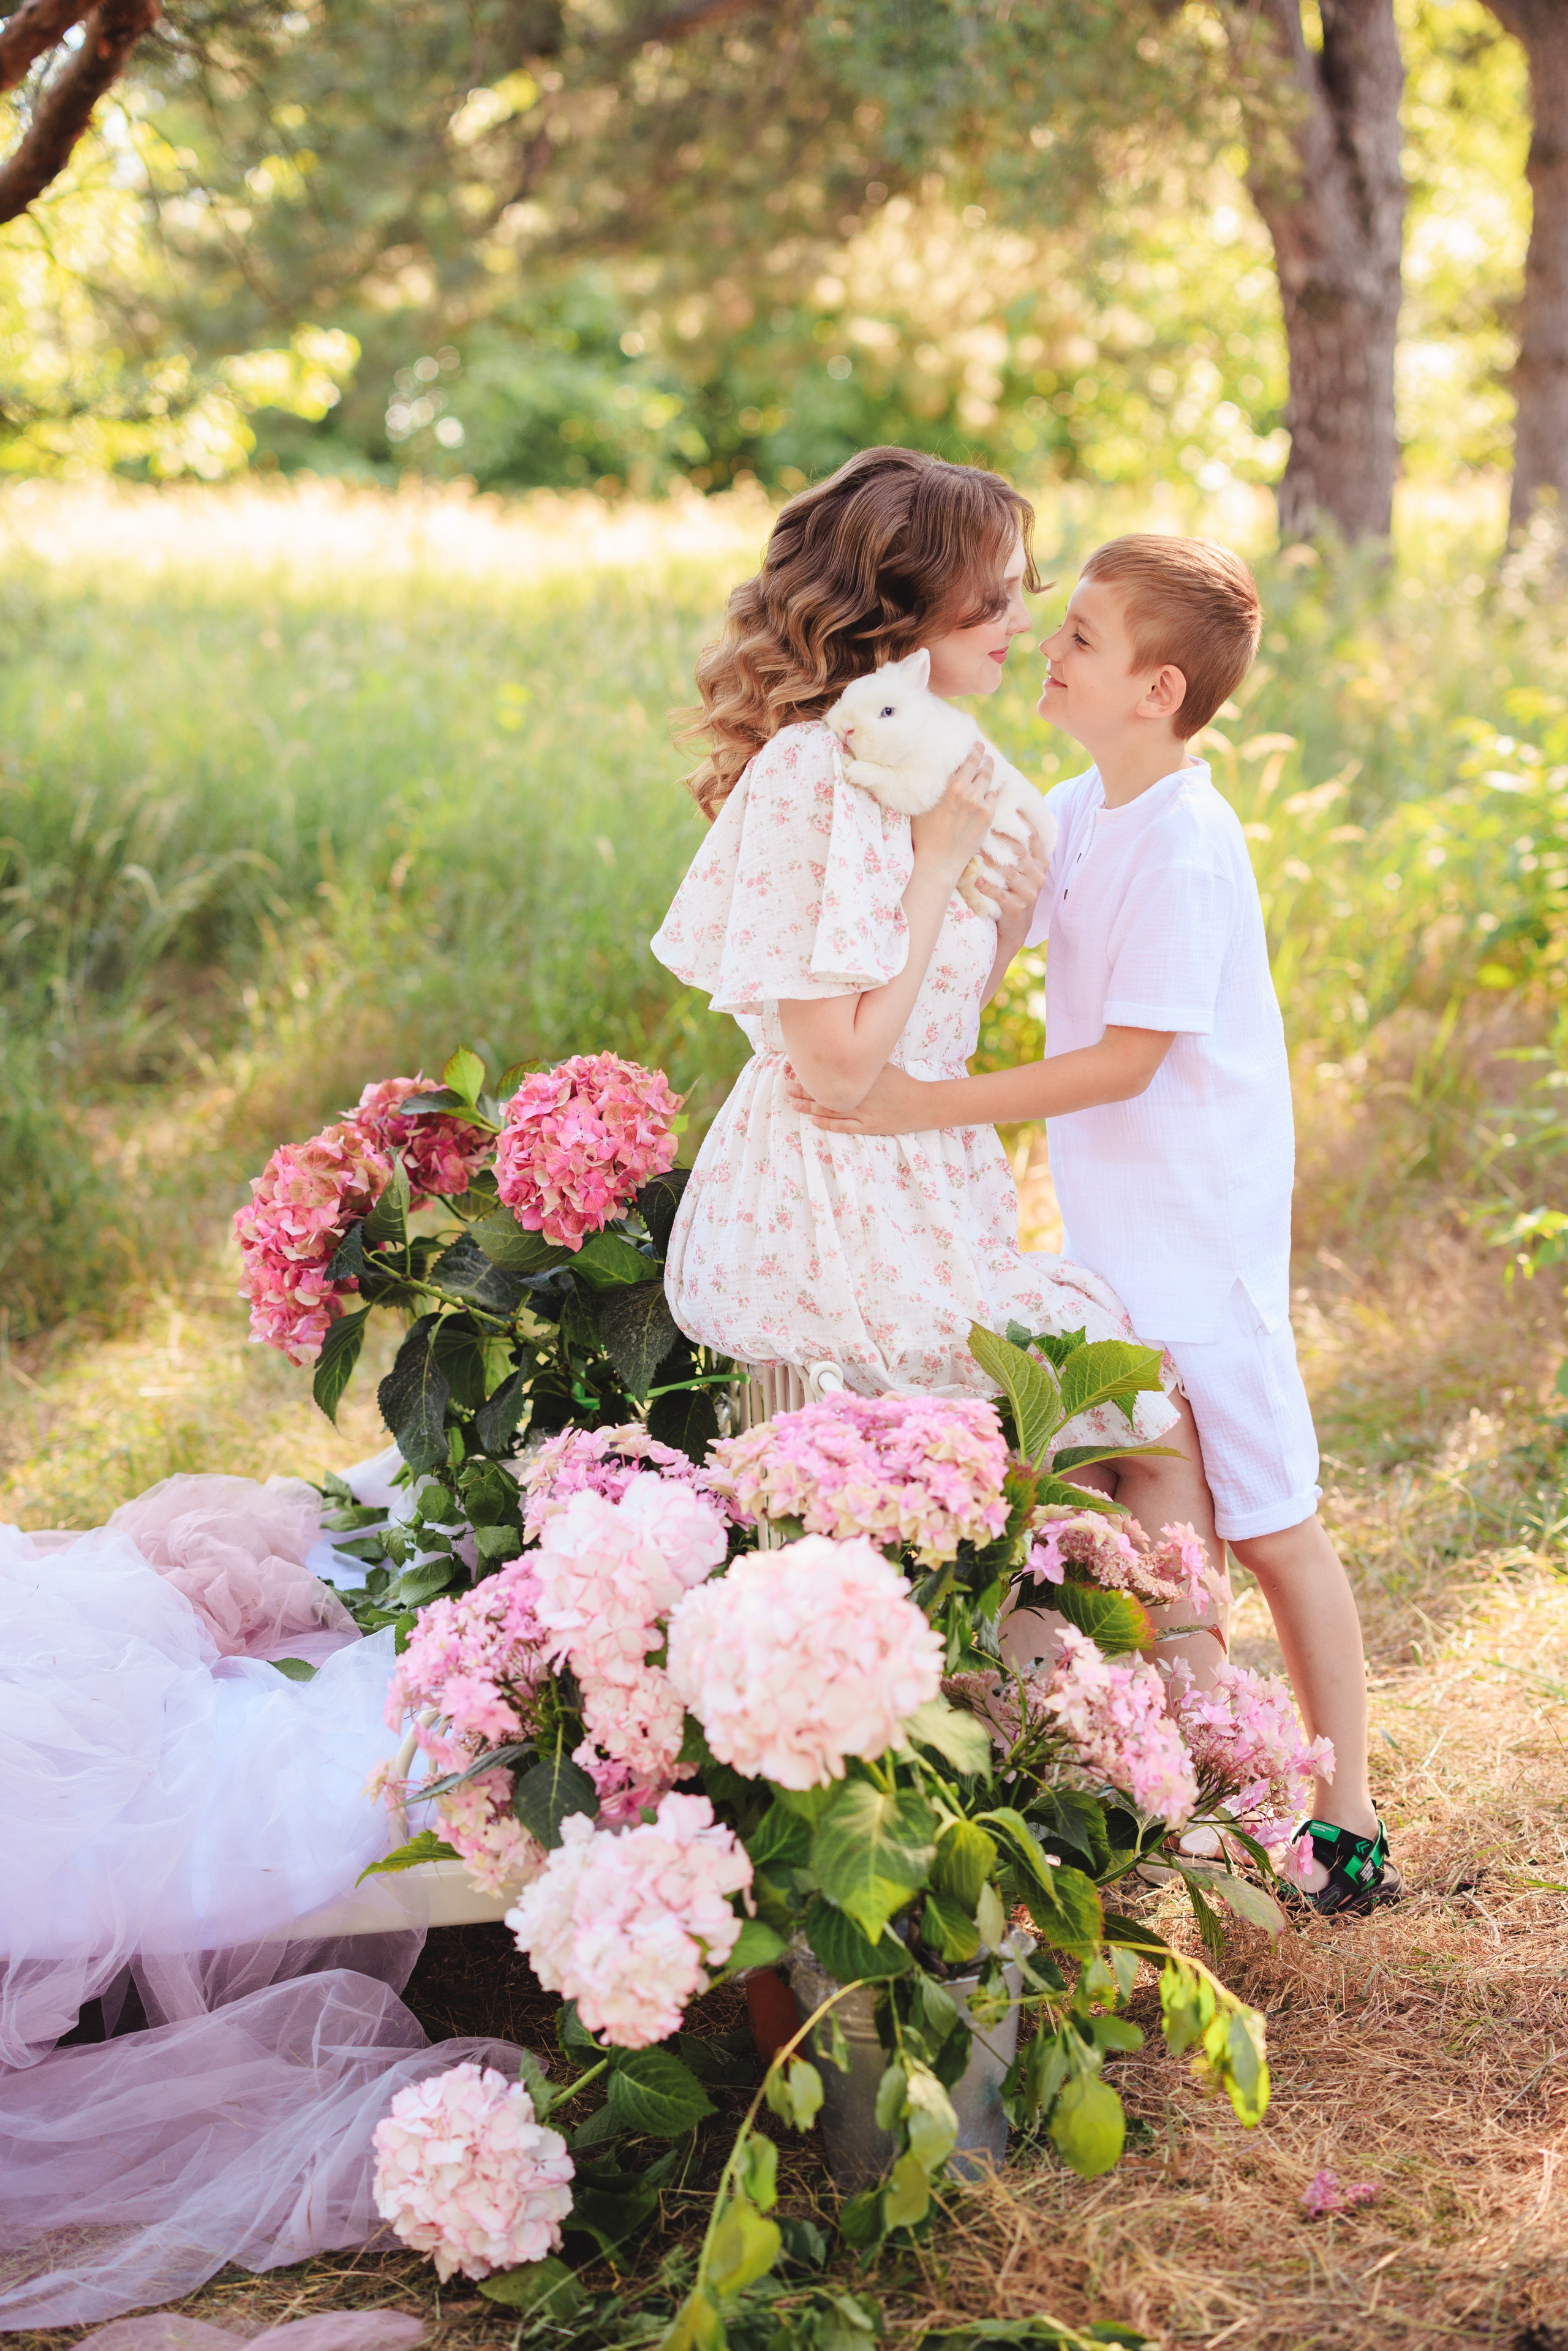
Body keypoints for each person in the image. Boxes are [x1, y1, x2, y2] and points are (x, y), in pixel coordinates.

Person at [791, 532, 1398, 1917]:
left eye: (1077, 638)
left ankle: (1346, 1807)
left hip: (1204, 1246)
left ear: (1157, 690)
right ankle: (1209, 1792)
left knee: (1271, 1520)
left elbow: (1128, 1059)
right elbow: (981, 919)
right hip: (1121, 1240)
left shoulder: (1185, 843)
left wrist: (929, 1103)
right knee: (1161, 1512)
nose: (1044, 652)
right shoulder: (1076, 808)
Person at [650, 448, 1227, 1602]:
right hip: (835, 1203)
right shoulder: (812, 773)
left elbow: (929, 999)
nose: (1026, 619)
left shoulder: (935, 757)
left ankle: (1162, 1737)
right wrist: (941, 867)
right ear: (903, 608)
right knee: (1128, 1413)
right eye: (996, 596)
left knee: (1136, 1423)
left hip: (921, 1189)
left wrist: (998, 914)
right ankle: (1176, 1740)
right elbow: (845, 1062)